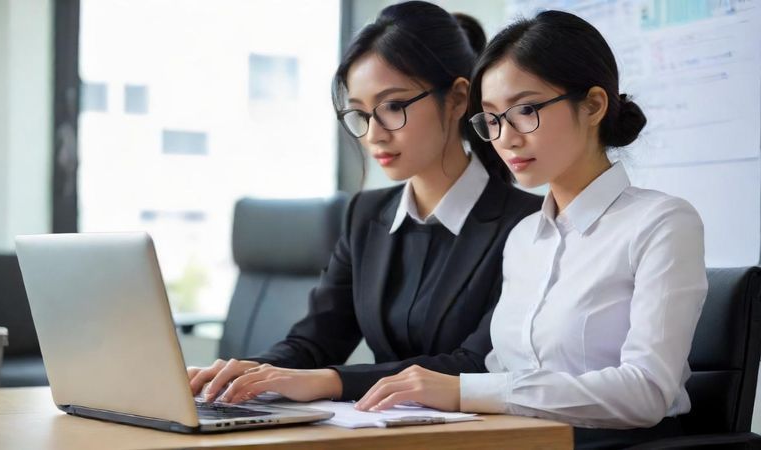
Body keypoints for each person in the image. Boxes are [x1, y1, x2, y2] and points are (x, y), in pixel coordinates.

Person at [354, 10, 707, 447]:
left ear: (594, 104)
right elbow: (505, 374)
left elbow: (646, 392)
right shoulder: (523, 237)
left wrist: (463, 390)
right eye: (493, 119)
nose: (506, 138)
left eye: (525, 110)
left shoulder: (662, 223)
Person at [187, 1, 541, 404]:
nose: (373, 134)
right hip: (375, 431)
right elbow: (315, 343)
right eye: (360, 113)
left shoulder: (526, 225)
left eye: (392, 106)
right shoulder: (366, 215)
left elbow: (478, 364)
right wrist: (246, 374)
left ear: (459, 98)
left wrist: (333, 381)